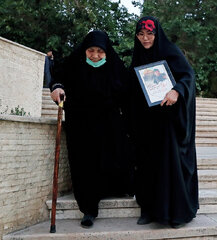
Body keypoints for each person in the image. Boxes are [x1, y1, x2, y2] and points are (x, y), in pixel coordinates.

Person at [50, 30, 133, 228]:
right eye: (91, 51)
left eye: (100, 52)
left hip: (109, 124)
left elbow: (128, 92)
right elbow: (58, 79)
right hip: (81, 125)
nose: (95, 55)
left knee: (112, 158)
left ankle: (114, 188)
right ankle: (88, 209)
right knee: (84, 165)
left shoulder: (115, 66)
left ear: (106, 52)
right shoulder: (74, 63)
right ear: (85, 50)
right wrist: (57, 88)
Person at [129, 16, 199, 228]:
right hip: (147, 123)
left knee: (170, 166)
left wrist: (176, 91)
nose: (145, 38)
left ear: (157, 34)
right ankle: (149, 211)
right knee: (147, 166)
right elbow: (131, 86)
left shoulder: (170, 51)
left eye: (150, 34)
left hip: (169, 121)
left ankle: (176, 214)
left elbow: (188, 76)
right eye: (141, 34)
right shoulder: (138, 56)